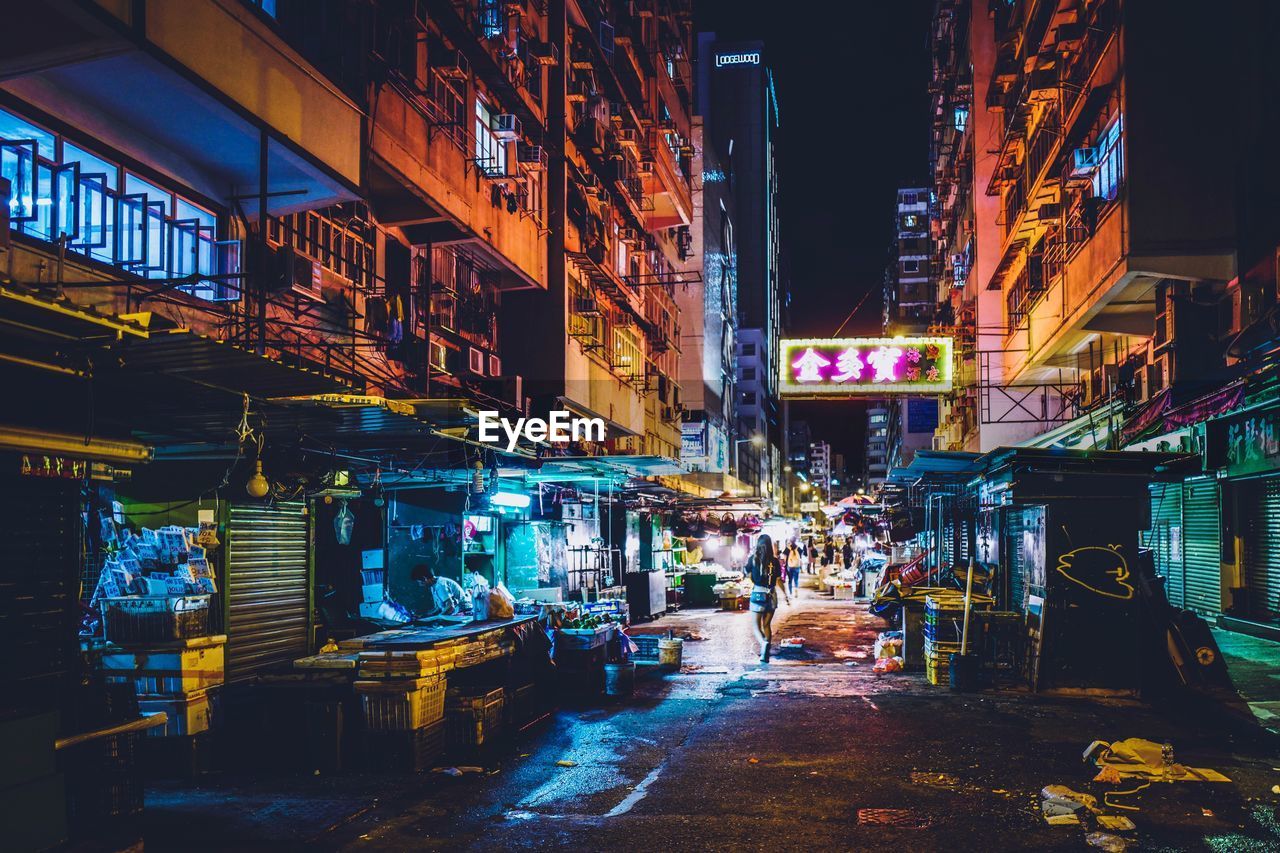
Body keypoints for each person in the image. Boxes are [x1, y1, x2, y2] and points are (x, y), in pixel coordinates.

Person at [746, 534, 789, 662]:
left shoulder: (753, 559)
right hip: (771, 595)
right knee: (766, 625)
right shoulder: (775, 561)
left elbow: (748, 573)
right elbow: (778, 580)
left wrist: (755, 578)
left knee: (756, 626)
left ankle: (763, 644)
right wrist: (786, 595)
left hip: (758, 594)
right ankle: (765, 654)